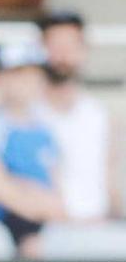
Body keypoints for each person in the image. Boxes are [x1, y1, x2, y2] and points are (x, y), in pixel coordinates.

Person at [0, 42, 63, 258]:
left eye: (34, 76)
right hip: (7, 218)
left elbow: (54, 179)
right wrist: (30, 207)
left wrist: (52, 207)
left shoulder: (45, 127)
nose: (28, 83)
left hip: (42, 219)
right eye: (19, 76)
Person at [37, 11, 120, 221]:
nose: (63, 56)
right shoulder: (24, 114)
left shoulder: (100, 115)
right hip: (44, 226)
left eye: (70, 46)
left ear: (84, 50)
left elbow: (111, 180)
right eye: (55, 47)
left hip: (99, 225)